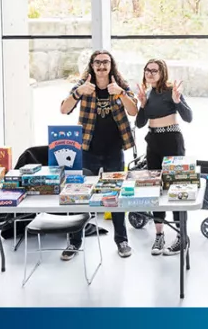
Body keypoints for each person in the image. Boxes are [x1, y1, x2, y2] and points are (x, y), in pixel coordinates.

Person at [59, 50, 139, 259]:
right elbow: (63, 109)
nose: (102, 66)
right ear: (92, 65)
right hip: (87, 150)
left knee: (116, 197)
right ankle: (74, 242)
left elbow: (134, 111)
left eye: (106, 62)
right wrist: (79, 92)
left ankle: (121, 241)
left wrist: (120, 93)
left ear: (111, 65)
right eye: (98, 62)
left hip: (114, 150)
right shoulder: (84, 85)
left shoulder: (120, 85)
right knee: (79, 195)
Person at [135, 58, 193, 256]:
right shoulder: (147, 94)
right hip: (153, 143)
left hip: (172, 141)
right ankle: (159, 235)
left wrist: (178, 102)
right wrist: (142, 105)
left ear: (162, 73)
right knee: (154, 189)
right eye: (147, 70)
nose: (150, 73)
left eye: (154, 70)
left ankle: (182, 236)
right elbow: (140, 124)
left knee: (176, 189)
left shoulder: (171, 91)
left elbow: (189, 117)